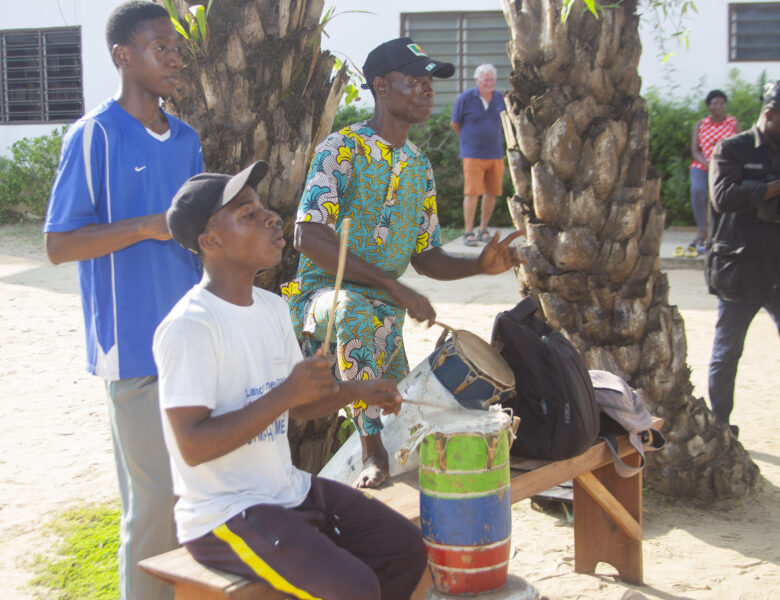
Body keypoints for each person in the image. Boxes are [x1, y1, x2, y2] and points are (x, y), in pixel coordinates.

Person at [153, 162, 427, 600]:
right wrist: (286, 393)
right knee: (354, 588)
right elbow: (193, 445)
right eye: (247, 214)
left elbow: (299, 404)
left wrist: (356, 390)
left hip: (287, 490)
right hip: (224, 514)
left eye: (263, 208)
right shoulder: (190, 327)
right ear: (210, 242)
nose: (270, 217)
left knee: (405, 548)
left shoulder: (272, 308)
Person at [283, 37, 525, 489]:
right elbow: (307, 234)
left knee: (405, 407)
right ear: (380, 86)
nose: (427, 89)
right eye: (414, 80)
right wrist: (394, 286)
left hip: (384, 314)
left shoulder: (419, 166)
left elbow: (426, 254)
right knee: (353, 312)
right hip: (322, 297)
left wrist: (479, 266)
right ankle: (371, 452)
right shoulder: (342, 148)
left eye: (429, 82)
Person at [43, 3, 202, 599]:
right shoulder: (94, 136)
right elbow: (59, 245)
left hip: (191, 345)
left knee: (191, 498)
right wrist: (147, 225)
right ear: (122, 55)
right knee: (152, 504)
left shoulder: (186, 140)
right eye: (161, 47)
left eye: (177, 47)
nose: (175, 58)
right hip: (132, 351)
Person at [706, 80, 780, 439]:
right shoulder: (731, 148)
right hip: (741, 268)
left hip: (777, 270)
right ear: (769, 114)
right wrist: (771, 188)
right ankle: (721, 428)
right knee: (727, 352)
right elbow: (722, 197)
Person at [451, 64, 507, 246]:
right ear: (477, 80)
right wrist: (469, 140)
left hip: (496, 154)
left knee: (492, 192)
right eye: (486, 80)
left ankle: (483, 229)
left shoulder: (500, 98)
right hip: (473, 154)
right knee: (472, 192)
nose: (489, 83)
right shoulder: (465, 98)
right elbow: (455, 124)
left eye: (492, 79)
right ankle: (468, 232)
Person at [686, 89, 740, 256]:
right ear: (709, 105)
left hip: (726, 167)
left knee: (727, 194)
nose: (718, 106)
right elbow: (695, 151)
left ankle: (723, 232)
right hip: (702, 166)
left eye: (721, 103)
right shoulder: (701, 124)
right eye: (714, 103)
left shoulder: (733, 123)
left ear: (725, 105)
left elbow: (741, 146)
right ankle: (702, 230)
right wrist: (708, 164)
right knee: (698, 190)